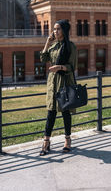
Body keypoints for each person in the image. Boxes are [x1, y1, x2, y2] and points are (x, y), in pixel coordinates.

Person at [39, 19, 77, 155]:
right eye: (54, 29)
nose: (55, 31)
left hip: (65, 81)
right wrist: (47, 43)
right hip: (52, 82)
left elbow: (72, 67)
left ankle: (67, 140)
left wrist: (60, 67)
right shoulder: (53, 46)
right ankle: (46, 141)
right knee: (51, 112)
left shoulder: (70, 47)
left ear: (64, 31)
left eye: (58, 29)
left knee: (65, 112)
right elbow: (43, 58)